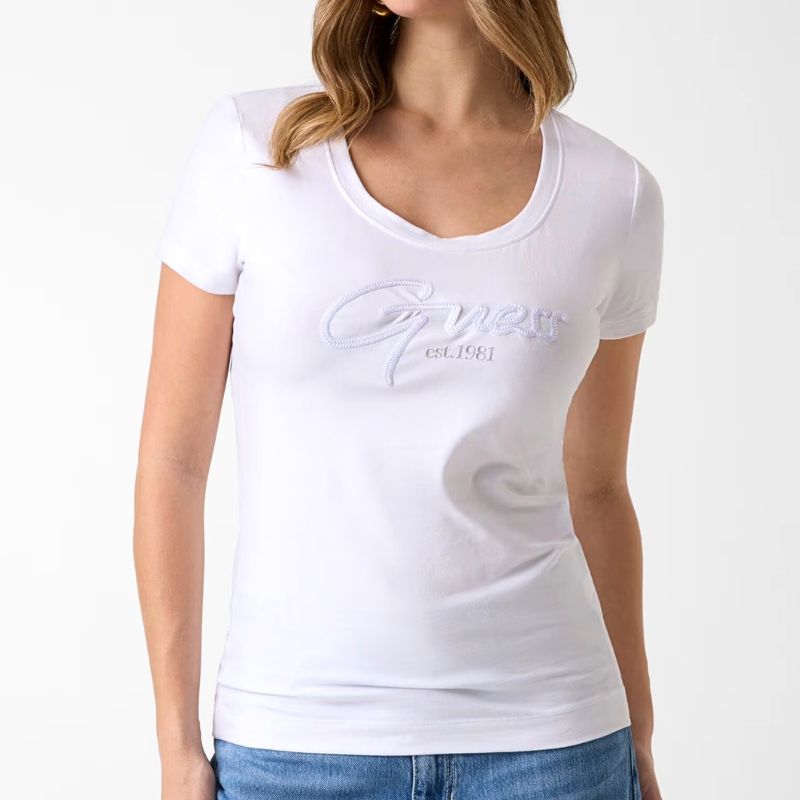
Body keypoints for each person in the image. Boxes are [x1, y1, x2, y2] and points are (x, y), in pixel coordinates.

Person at [134, 1, 665, 798]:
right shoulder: (257, 149)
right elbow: (173, 463)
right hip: (295, 746)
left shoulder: (612, 193)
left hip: (552, 746)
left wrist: (640, 743)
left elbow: (599, 489)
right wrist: (176, 746)